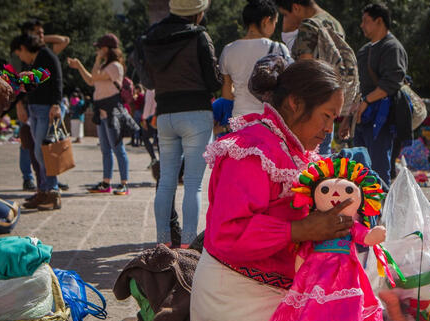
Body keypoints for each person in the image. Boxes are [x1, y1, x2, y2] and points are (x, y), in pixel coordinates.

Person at [191, 58, 346, 321]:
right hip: (234, 301)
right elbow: (227, 234)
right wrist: (302, 230)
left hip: (272, 290)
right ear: (295, 103)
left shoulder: (292, 149)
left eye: (334, 120)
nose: (329, 129)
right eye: (326, 116)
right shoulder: (252, 150)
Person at [142, 0, 222, 248]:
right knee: (193, 184)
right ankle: (188, 244)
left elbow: (146, 80)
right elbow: (213, 81)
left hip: (165, 113)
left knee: (166, 181)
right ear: (198, 12)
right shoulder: (199, 36)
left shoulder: (150, 37)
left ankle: (162, 242)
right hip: (196, 112)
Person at [275, 0, 350, 156]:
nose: (285, 19)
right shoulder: (335, 23)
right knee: (324, 152)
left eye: (285, 14)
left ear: (296, 7)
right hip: (333, 97)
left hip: (312, 104)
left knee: (309, 156)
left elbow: (306, 69)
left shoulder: (309, 25)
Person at [349, 2, 408, 185]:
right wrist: (348, 117)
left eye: (366, 21)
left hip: (383, 115)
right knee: (358, 164)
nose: (362, 25)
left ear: (379, 21)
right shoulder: (364, 50)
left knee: (379, 166)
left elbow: (392, 81)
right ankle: (363, 210)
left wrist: (366, 101)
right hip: (362, 115)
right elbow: (359, 84)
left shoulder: (392, 47)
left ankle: (380, 209)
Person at [68, 33, 131, 195]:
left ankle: (124, 183)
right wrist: (80, 66)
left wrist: (95, 62)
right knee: (105, 149)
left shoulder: (115, 66)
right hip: (102, 112)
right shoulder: (105, 66)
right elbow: (91, 80)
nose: (98, 51)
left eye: (100, 48)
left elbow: (94, 76)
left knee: (118, 148)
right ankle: (106, 182)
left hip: (112, 111)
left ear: (107, 48)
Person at [11, 34, 63, 211]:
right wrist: (20, 105)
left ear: (24, 49)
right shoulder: (32, 62)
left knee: (44, 153)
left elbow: (57, 80)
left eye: (19, 54)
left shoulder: (47, 56)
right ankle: (44, 191)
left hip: (46, 110)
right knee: (37, 152)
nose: (20, 57)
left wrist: (56, 104)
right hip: (35, 110)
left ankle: (53, 192)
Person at [220, 0, 289, 118]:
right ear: (266, 21)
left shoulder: (228, 49)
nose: (274, 28)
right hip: (267, 119)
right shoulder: (278, 49)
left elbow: (226, 93)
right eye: (274, 23)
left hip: (240, 118)